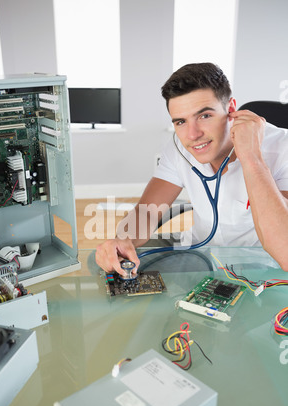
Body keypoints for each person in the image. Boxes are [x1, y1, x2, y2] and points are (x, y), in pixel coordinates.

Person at [95, 62, 288, 275]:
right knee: (107, 266)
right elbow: (146, 212)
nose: (193, 135)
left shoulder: (282, 149)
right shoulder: (179, 146)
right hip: (199, 252)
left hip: (259, 267)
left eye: (204, 116)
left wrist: (252, 159)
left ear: (231, 109)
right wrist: (123, 240)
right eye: (180, 122)